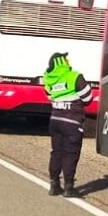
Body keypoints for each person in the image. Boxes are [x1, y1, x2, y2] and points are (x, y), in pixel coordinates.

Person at [43, 52, 93, 198]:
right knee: (70, 153)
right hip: (72, 122)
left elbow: (49, 96)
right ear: (60, 62)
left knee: (56, 152)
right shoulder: (75, 77)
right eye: (65, 58)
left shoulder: (49, 79)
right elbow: (88, 98)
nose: (68, 59)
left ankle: (54, 185)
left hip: (55, 120)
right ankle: (69, 187)